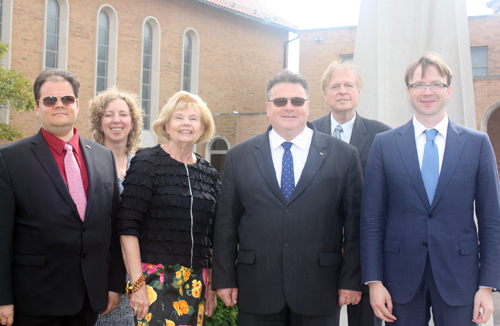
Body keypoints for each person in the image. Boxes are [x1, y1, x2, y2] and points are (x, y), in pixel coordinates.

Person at [212, 69, 364, 326]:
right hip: (257, 288)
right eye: (280, 101)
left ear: (308, 105)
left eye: (297, 101)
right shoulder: (240, 156)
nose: (289, 107)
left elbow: (355, 225)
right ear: (268, 107)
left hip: (320, 289)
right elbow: (226, 224)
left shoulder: (344, 155)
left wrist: (351, 279)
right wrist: (225, 278)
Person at [361, 53, 500, 325]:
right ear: (408, 92)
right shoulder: (384, 145)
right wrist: (374, 282)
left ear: (448, 90)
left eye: (436, 84)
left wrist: (488, 285)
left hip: (461, 278)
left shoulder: (478, 144)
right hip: (399, 281)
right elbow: (371, 219)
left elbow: (491, 220)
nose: (427, 91)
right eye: (418, 84)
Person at [0, 69, 125, 326]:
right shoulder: (9, 159)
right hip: (34, 300)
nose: (59, 105)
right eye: (50, 100)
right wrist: (3, 297)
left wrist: (114, 284)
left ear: (77, 105)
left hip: (88, 299)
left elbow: (112, 228)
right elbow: (2, 236)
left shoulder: (103, 157)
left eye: (67, 99)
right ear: (37, 108)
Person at [117, 91, 219, 326]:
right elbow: (127, 227)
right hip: (154, 279)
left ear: (203, 128)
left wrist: (211, 285)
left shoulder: (209, 174)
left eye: (193, 118)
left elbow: (212, 237)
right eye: (178, 117)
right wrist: (137, 284)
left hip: (196, 282)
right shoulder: (147, 162)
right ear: (166, 125)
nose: (186, 123)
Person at [311, 60, 390, 326]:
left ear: (358, 92)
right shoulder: (306, 133)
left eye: (349, 85)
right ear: (325, 93)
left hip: (366, 250)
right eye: (335, 86)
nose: (342, 91)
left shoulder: (382, 136)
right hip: (318, 251)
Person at [89, 87, 143, 326]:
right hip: (100, 272)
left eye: (123, 114)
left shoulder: (141, 166)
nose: (116, 120)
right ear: (99, 122)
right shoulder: (87, 162)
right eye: (109, 114)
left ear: (132, 122)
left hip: (137, 275)